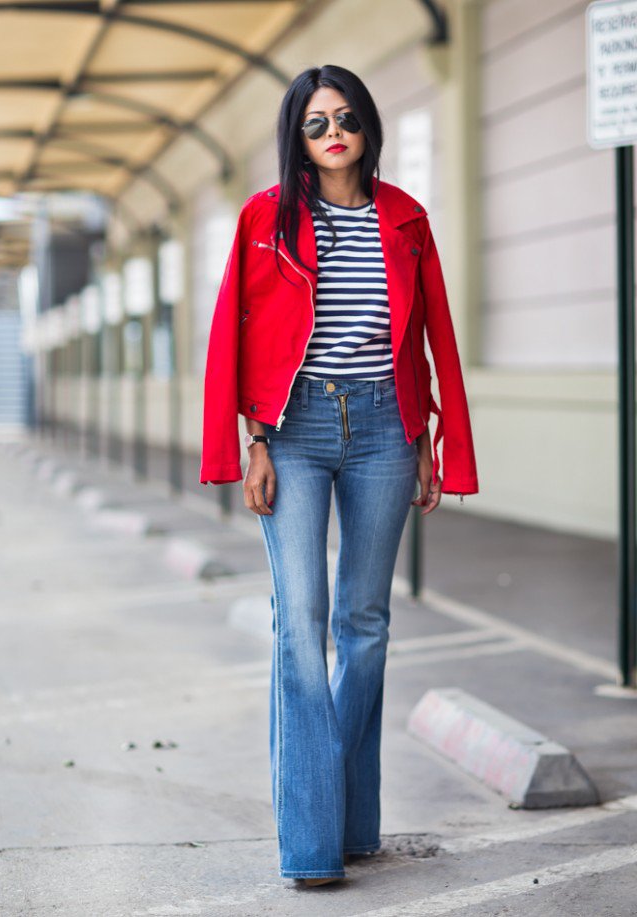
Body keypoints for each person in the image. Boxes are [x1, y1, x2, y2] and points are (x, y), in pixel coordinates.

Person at [200, 64, 479, 886]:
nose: (333, 133)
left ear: (367, 126)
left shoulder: (405, 217)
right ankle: (313, 843)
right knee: (301, 621)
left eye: (346, 117)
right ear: (297, 135)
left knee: (365, 623)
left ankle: (354, 822)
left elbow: (432, 331)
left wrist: (431, 436)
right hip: (293, 429)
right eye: (316, 122)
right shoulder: (265, 218)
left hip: (387, 427)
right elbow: (238, 333)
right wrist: (250, 439)